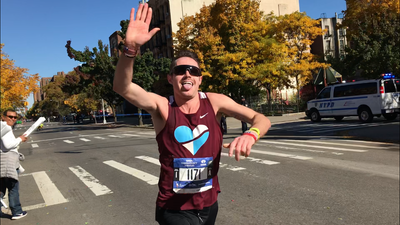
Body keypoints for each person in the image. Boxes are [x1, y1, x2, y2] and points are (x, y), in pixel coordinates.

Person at [113, 4, 271, 225]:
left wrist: (250, 135)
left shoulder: (215, 102)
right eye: (179, 71)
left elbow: (261, 119)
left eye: (193, 71)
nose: (187, 74)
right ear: (171, 79)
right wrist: (130, 49)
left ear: (199, 79)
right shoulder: (162, 106)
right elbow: (123, 87)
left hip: (208, 204)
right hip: (173, 208)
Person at [0, 109, 28, 220]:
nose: (13, 119)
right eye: (10, 117)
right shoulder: (4, 127)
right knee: (13, 187)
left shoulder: (4, 127)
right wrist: (20, 139)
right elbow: (8, 145)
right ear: (3, 117)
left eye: (15, 117)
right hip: (8, 162)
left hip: (3, 162)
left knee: (2, 188)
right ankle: (17, 212)